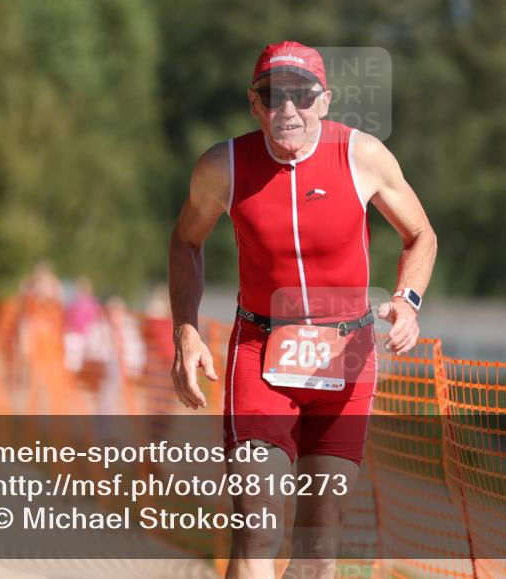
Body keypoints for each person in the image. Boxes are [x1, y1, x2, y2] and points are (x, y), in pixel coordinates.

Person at [169, 41, 437, 579]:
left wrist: (407, 302)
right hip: (259, 355)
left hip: (347, 360)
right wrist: (187, 330)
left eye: (301, 95)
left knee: (320, 543)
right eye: (272, 96)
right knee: (258, 527)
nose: (287, 110)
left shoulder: (362, 156)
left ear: (324, 100)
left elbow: (420, 234)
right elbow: (185, 241)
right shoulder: (223, 166)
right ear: (254, 103)